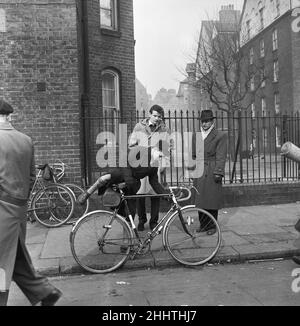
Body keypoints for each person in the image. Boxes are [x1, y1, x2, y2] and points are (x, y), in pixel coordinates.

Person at [0, 99, 62, 306]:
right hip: (18, 209)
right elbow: (30, 176)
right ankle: (45, 292)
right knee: (15, 258)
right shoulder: (25, 140)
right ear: (9, 116)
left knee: (1, 263)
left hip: (1, 208)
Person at [130, 105, 170, 231]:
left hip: (155, 164)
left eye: (159, 116)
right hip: (141, 164)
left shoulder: (163, 129)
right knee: (140, 194)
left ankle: (154, 221)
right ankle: (142, 220)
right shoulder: (139, 127)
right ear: (149, 114)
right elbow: (131, 145)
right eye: (155, 115)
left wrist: (164, 164)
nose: (157, 118)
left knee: (155, 194)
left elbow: (166, 148)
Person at [192, 109, 227, 235]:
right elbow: (194, 154)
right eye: (203, 121)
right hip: (200, 169)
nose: (204, 124)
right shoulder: (196, 135)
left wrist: (218, 171)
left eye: (207, 121)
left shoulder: (220, 135)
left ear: (212, 122)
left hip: (212, 169)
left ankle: (212, 225)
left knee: (211, 199)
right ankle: (203, 225)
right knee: (200, 199)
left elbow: (221, 156)